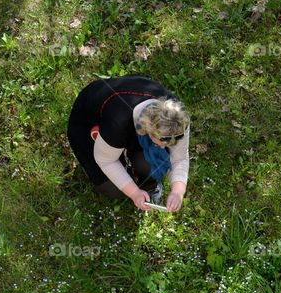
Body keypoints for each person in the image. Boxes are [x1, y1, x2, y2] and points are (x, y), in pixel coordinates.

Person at [67, 75, 191, 212]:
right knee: (112, 189)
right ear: (148, 130)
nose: (163, 147)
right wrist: (134, 193)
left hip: (127, 120)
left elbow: (180, 158)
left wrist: (177, 192)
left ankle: (144, 181)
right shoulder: (118, 120)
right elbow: (106, 161)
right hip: (88, 121)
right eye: (162, 143)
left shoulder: (177, 117)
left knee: (149, 166)